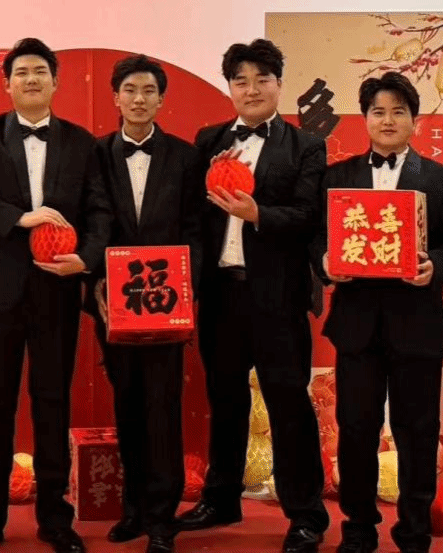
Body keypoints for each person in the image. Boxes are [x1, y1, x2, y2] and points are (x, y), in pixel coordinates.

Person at [0, 38, 112, 553]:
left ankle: (55, 520)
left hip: (56, 292)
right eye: (21, 72)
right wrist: (20, 218)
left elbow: (99, 210)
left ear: (56, 81)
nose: (31, 79)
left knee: (52, 404)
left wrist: (86, 259)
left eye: (40, 71)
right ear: (6, 83)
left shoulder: (82, 143)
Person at [176, 39, 329, 553]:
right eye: (241, 80)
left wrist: (257, 213)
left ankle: (305, 514)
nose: (252, 89)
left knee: (289, 403)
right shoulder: (209, 140)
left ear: (279, 84)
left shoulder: (305, 146)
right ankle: (221, 498)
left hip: (278, 297)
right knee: (224, 399)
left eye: (263, 79)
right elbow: (193, 218)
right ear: (230, 88)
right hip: (221, 294)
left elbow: (309, 216)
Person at [316, 73, 443, 553]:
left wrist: (436, 266)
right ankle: (358, 528)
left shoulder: (442, 179)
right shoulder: (337, 176)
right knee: (357, 430)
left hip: (417, 323)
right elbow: (314, 237)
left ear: (415, 121)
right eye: (378, 112)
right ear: (365, 118)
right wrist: (324, 262)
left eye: (398, 112)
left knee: (418, 433)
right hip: (357, 324)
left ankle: (414, 530)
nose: (387, 120)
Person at [89, 55, 203, 553]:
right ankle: (133, 508)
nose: (139, 99)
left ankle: (161, 517)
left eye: (148, 90)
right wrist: (95, 283)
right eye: (130, 90)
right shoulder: (95, 154)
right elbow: (88, 222)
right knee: (128, 404)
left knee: (163, 407)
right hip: (113, 302)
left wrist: (186, 285)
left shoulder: (185, 157)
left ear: (161, 99)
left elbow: (197, 229)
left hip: (166, 302)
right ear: (116, 97)